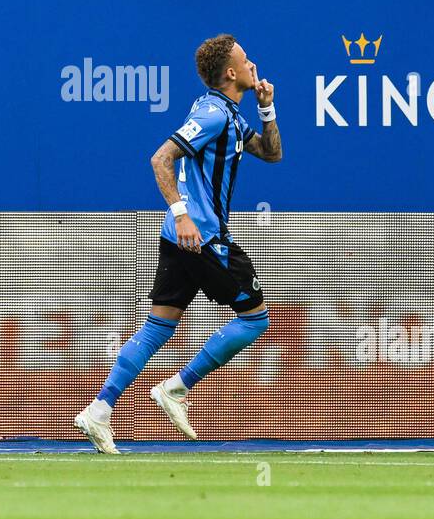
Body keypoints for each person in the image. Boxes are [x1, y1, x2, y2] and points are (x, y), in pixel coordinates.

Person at [73, 33, 281, 453]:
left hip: (180, 237)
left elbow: (271, 152)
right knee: (256, 318)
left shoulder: (228, 113)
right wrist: (182, 213)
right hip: (201, 236)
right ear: (230, 72)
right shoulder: (213, 115)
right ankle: (177, 387)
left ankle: (98, 410)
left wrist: (266, 105)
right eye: (245, 59)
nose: (251, 63)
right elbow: (160, 158)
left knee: (158, 326)